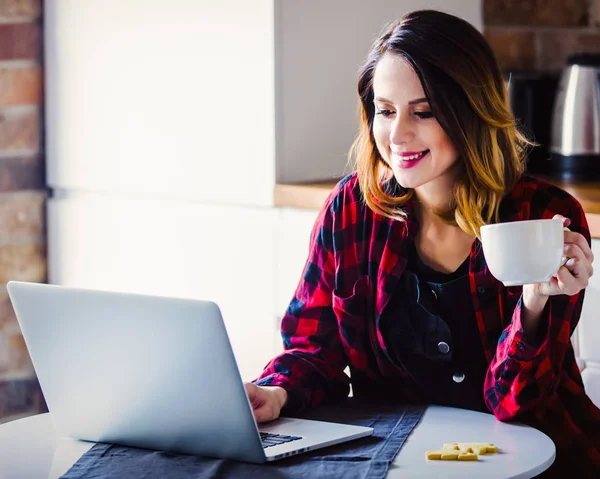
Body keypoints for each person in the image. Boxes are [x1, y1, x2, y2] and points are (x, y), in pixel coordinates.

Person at [245, 9, 600, 477]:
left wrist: (534, 305)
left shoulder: (541, 218)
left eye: (424, 111)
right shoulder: (351, 210)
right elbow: (315, 349)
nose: (398, 134)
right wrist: (276, 393)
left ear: (470, 111)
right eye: (386, 110)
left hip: (537, 460)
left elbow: (517, 403)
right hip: (393, 459)